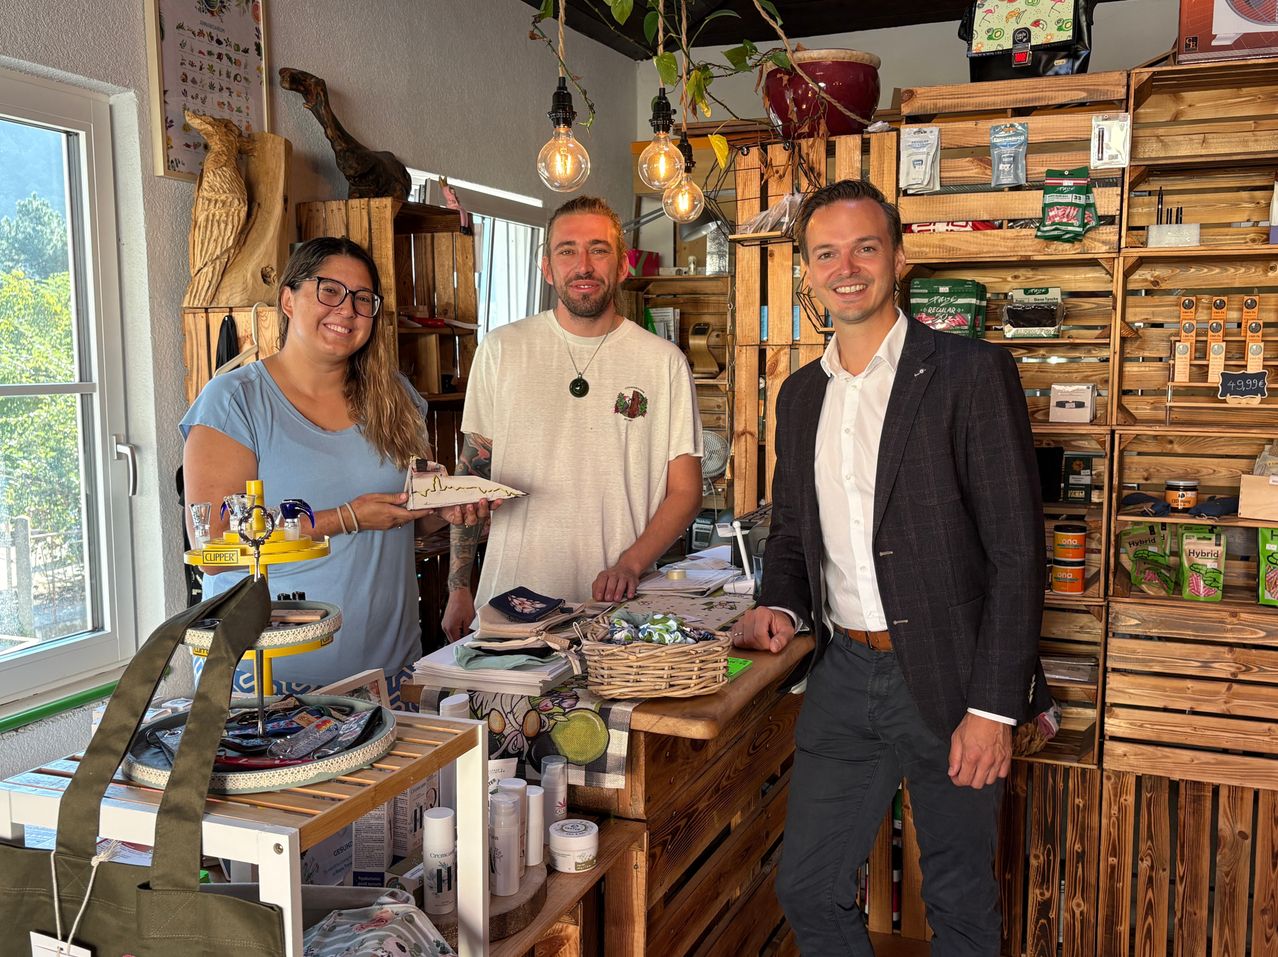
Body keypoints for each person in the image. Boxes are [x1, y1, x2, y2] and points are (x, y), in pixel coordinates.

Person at [732, 180, 1043, 955]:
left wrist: (995, 708)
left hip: (954, 680)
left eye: (864, 247)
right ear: (805, 271)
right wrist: (783, 604)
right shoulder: (800, 396)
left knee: (960, 901)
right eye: (825, 252)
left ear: (898, 259)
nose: (846, 267)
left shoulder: (971, 373)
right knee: (807, 884)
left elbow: (1016, 551)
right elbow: (796, 533)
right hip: (845, 678)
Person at [182, 236, 456, 702]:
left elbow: (408, 518)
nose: (347, 310)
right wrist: (346, 518)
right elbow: (212, 543)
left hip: (384, 667)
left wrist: (448, 508)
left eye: (363, 299)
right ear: (288, 299)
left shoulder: (397, 398)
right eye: (329, 290)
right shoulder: (233, 401)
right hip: (268, 678)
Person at [441, 196, 703, 640]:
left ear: (622, 266)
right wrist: (458, 587)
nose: (583, 265)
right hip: (509, 601)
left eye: (598, 250)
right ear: (547, 267)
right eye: (567, 251)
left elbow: (686, 491)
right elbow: (473, 474)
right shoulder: (502, 350)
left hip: (618, 609)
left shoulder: (664, 362)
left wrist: (630, 563)